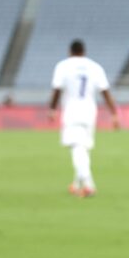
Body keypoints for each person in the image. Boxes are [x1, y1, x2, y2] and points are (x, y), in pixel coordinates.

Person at [47, 39, 119, 197]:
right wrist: (114, 114)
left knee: (77, 147)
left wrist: (52, 109)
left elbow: (57, 90)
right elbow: (105, 92)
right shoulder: (95, 67)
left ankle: (88, 184)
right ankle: (77, 183)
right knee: (83, 147)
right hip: (89, 111)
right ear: (84, 51)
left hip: (72, 110)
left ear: (70, 51)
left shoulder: (63, 66)